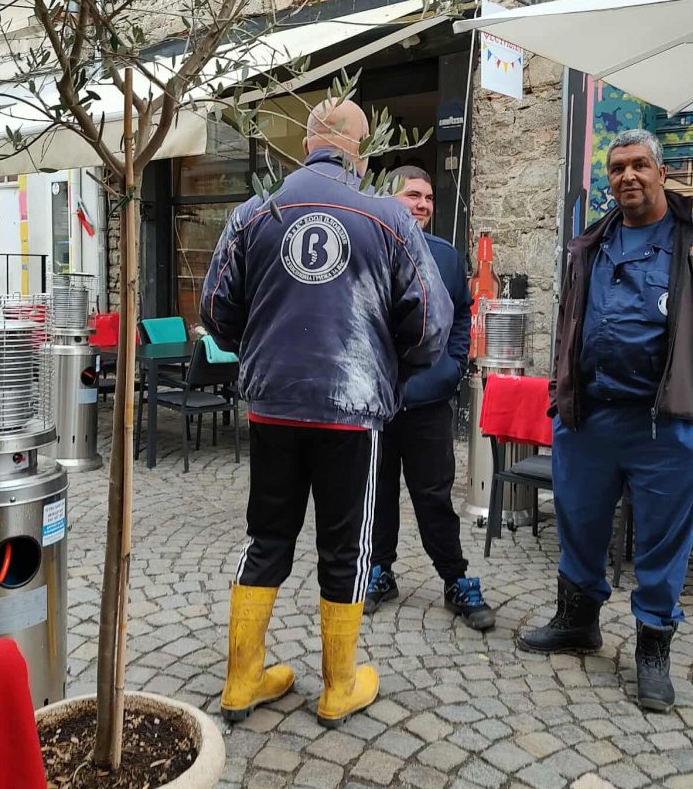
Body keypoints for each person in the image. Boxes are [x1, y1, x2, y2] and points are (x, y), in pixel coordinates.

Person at [200, 99, 451, 728]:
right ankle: (339, 686)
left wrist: (259, 352)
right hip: (351, 408)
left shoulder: (255, 212)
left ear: (307, 144)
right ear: (360, 151)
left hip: (274, 404)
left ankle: (241, 680)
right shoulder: (388, 216)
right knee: (346, 546)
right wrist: (394, 367)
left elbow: (216, 307)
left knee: (266, 536)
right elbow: (429, 318)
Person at [516, 128, 693, 713]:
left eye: (640, 165)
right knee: (578, 525)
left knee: (663, 542)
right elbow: (568, 323)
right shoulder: (591, 243)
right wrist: (560, 395)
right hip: (589, 420)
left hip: (664, 426)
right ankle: (577, 621)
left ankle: (652, 650)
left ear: (662, 173)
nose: (628, 176)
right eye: (618, 168)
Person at [364, 166, 495, 632]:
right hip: (376, 404)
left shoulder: (444, 255)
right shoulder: (366, 247)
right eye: (412, 195)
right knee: (377, 494)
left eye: (427, 197)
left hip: (428, 405)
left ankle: (455, 579)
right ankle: (379, 572)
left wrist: (453, 366)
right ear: (388, 197)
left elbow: (461, 315)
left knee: (434, 497)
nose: (422, 204)